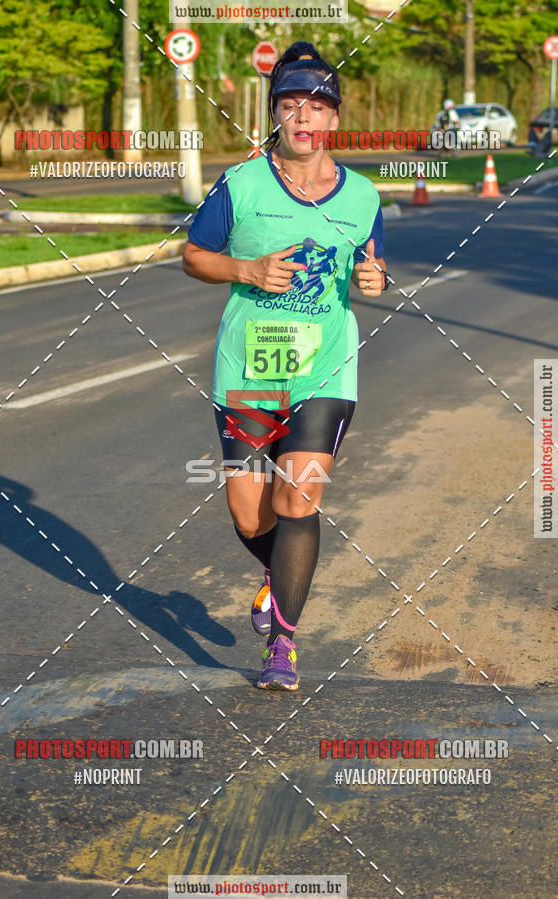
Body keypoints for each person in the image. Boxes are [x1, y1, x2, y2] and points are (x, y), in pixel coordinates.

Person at [182, 41, 388, 691]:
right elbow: (193, 255)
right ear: (275, 114)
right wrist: (245, 269)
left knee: (298, 495)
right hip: (248, 367)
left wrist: (376, 278)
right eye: (291, 105)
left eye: (316, 106)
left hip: (324, 368)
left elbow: (370, 260)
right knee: (251, 515)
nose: (303, 117)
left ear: (334, 118)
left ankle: (284, 645)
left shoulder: (362, 195)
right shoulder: (241, 184)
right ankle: (278, 574)